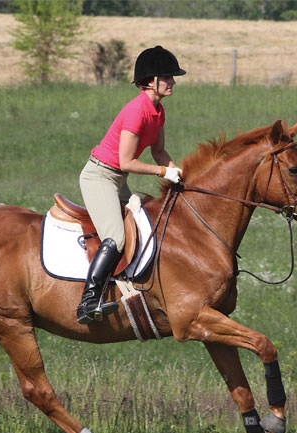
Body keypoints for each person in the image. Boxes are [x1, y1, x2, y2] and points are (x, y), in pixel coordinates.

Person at [76, 46, 186, 324]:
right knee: (116, 238)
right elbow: (126, 162)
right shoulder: (137, 111)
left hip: (117, 179)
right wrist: (163, 172)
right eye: (168, 77)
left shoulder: (158, 111)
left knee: (146, 226)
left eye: (173, 77)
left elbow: (159, 153)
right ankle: (88, 302)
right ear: (150, 81)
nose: (173, 81)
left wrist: (177, 172)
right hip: (99, 177)